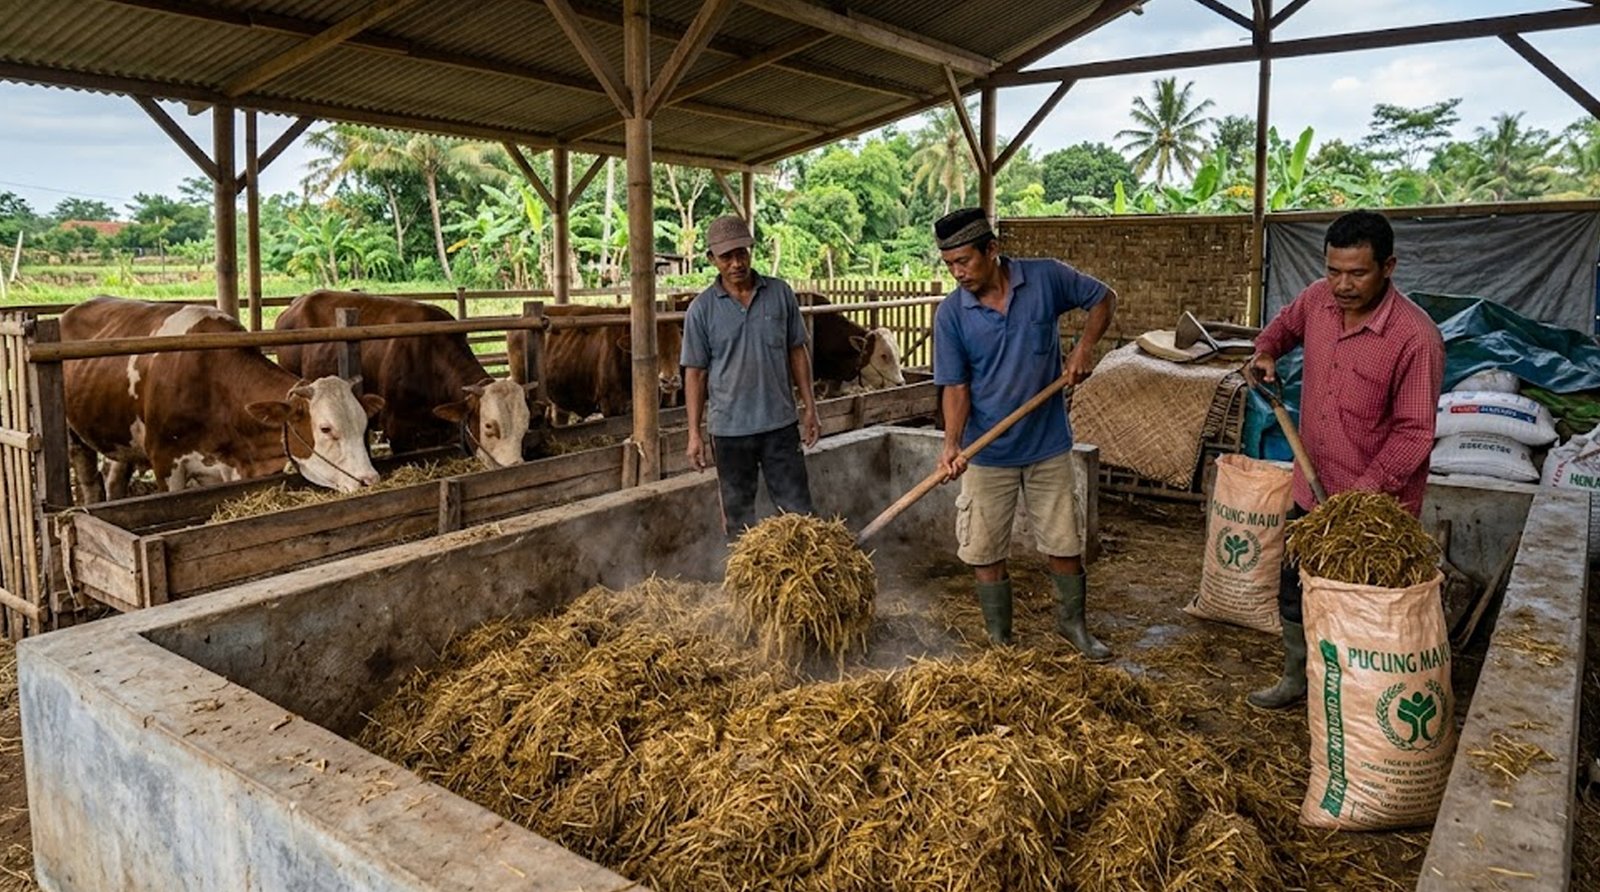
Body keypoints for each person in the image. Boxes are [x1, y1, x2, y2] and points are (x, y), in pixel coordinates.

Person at [1246, 209, 1445, 709]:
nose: (1341, 284)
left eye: (1356, 273)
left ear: (1389, 266)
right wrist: (1266, 352)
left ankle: (1355, 701)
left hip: (1372, 515)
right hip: (1309, 494)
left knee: (1358, 607)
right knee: (1295, 590)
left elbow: (1414, 433)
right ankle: (1298, 678)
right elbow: (1281, 328)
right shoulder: (1317, 301)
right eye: (1333, 270)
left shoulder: (1415, 338)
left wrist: (1358, 498)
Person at [931, 207, 1117, 657]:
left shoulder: (1046, 278)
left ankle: (1073, 626)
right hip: (989, 451)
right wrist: (953, 445)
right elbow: (956, 386)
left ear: (992, 250)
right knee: (984, 547)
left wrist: (1083, 349)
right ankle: (1001, 640)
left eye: (964, 261)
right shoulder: (952, 315)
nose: (957, 273)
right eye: (949, 264)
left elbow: (1103, 298)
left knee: (1063, 540)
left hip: (1047, 444)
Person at [682, 214, 821, 536]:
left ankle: (802, 580)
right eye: (726, 256)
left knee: (798, 510)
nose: (736, 263)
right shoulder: (701, 310)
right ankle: (746, 582)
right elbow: (695, 374)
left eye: (741, 252)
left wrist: (810, 407)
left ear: (751, 250)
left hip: (780, 425)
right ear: (711, 259)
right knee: (738, 516)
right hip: (730, 431)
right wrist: (694, 433)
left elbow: (796, 351)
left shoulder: (780, 293)